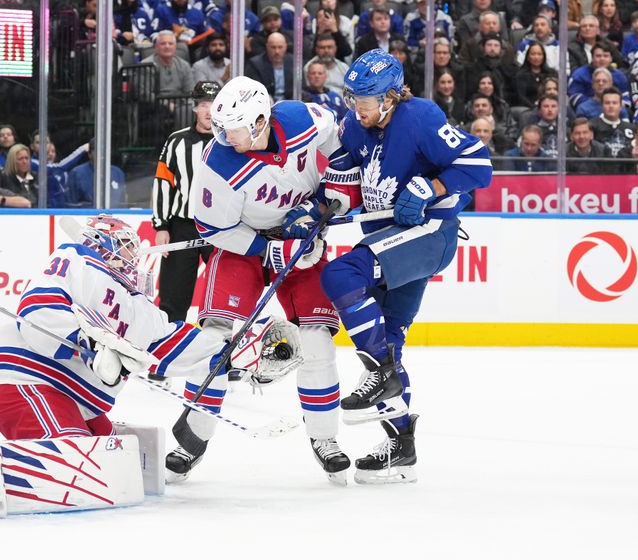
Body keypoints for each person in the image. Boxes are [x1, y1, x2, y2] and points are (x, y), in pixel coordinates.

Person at [0, 214, 302, 517]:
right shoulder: (75, 260)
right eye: (123, 248)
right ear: (100, 246)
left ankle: (22, 461)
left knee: (114, 463)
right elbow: (38, 311)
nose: (131, 258)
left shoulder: (138, 308)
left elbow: (178, 347)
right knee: (77, 464)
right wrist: (86, 342)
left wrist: (236, 354)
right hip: (26, 380)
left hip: (72, 398)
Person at [308, 50, 491, 483]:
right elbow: (344, 175)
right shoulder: (355, 125)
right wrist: (320, 206)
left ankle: (383, 375)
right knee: (387, 339)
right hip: (387, 241)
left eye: (368, 99)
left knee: (340, 275)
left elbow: (480, 164)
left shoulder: (420, 117)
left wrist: (434, 185)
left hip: (428, 234)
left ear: (391, 96)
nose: (358, 108)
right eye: (354, 98)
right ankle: (401, 445)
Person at [167, 76, 351, 485]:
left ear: (260, 120)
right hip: (241, 246)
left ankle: (326, 439)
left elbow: (338, 150)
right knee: (214, 338)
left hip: (301, 240)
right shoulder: (219, 163)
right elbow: (213, 230)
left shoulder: (303, 118)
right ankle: (192, 439)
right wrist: (268, 250)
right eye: (220, 128)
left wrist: (327, 199)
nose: (223, 137)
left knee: (318, 341)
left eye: (231, 128)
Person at [151, 81, 219, 323]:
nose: (209, 111)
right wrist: (161, 226)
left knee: (224, 290)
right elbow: (163, 183)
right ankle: (166, 343)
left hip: (221, 228)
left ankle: (221, 344)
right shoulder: (176, 141)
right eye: (203, 105)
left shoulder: (232, 142)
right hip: (182, 226)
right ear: (194, 108)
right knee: (173, 296)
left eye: (213, 104)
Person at [65, 140, 126, 207]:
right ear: (89, 154)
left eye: (106, 150)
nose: (103, 153)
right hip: (85, 216)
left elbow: (122, 203)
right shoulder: (76, 174)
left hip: (114, 216)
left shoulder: (118, 173)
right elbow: (70, 205)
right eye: (98, 151)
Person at [245, 32, 294, 101]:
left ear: (285, 46)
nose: (277, 51)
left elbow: (301, 89)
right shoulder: (255, 64)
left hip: (290, 104)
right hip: (265, 104)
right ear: (267, 47)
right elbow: (254, 91)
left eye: (280, 47)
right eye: (273, 47)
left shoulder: (293, 62)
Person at [590, 88, 635, 156]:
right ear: (602, 106)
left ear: (620, 106)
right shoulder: (591, 126)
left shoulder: (632, 128)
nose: (611, 106)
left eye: (614, 103)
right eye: (607, 103)